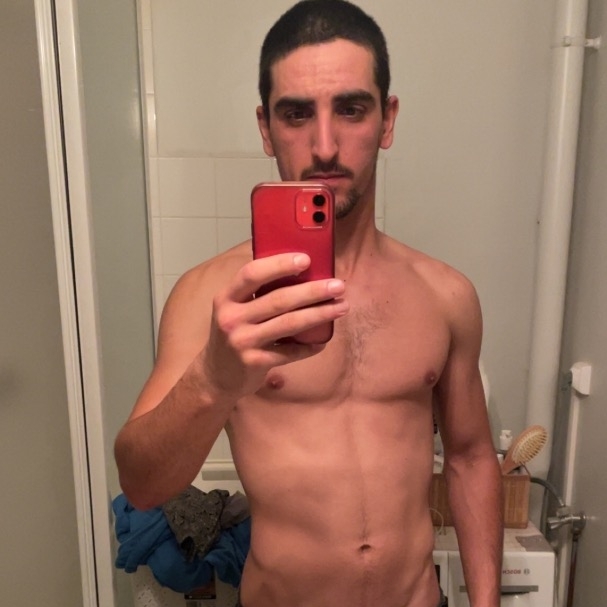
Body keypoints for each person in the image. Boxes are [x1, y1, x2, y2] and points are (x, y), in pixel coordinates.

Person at [114, 1, 504, 606]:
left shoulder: (445, 295)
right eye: (296, 114)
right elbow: (142, 487)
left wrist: (487, 601)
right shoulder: (211, 297)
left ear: (387, 120)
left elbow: (472, 458)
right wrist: (213, 380)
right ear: (266, 127)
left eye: (351, 109)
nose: (325, 146)